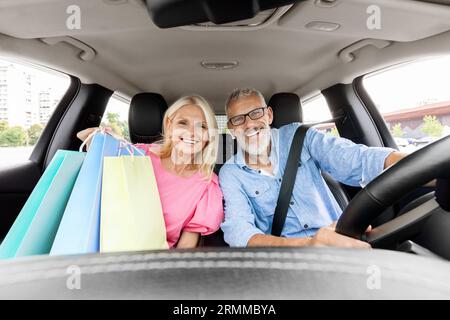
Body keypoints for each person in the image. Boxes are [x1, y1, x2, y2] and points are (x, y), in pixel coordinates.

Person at [219, 88, 407, 248]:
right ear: (231, 129)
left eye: (256, 113)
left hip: (341, 242)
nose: (249, 124)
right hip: (288, 259)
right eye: (238, 120)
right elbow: (238, 230)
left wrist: (422, 165)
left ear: (269, 115)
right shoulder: (231, 172)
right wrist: (308, 244)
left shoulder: (301, 136)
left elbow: (357, 159)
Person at [78, 95, 224, 249]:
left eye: (202, 126)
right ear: (169, 125)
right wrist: (97, 140)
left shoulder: (207, 184)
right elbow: (83, 141)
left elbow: (187, 244)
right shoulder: (135, 155)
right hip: (106, 248)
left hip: (155, 260)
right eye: (183, 123)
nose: (192, 133)